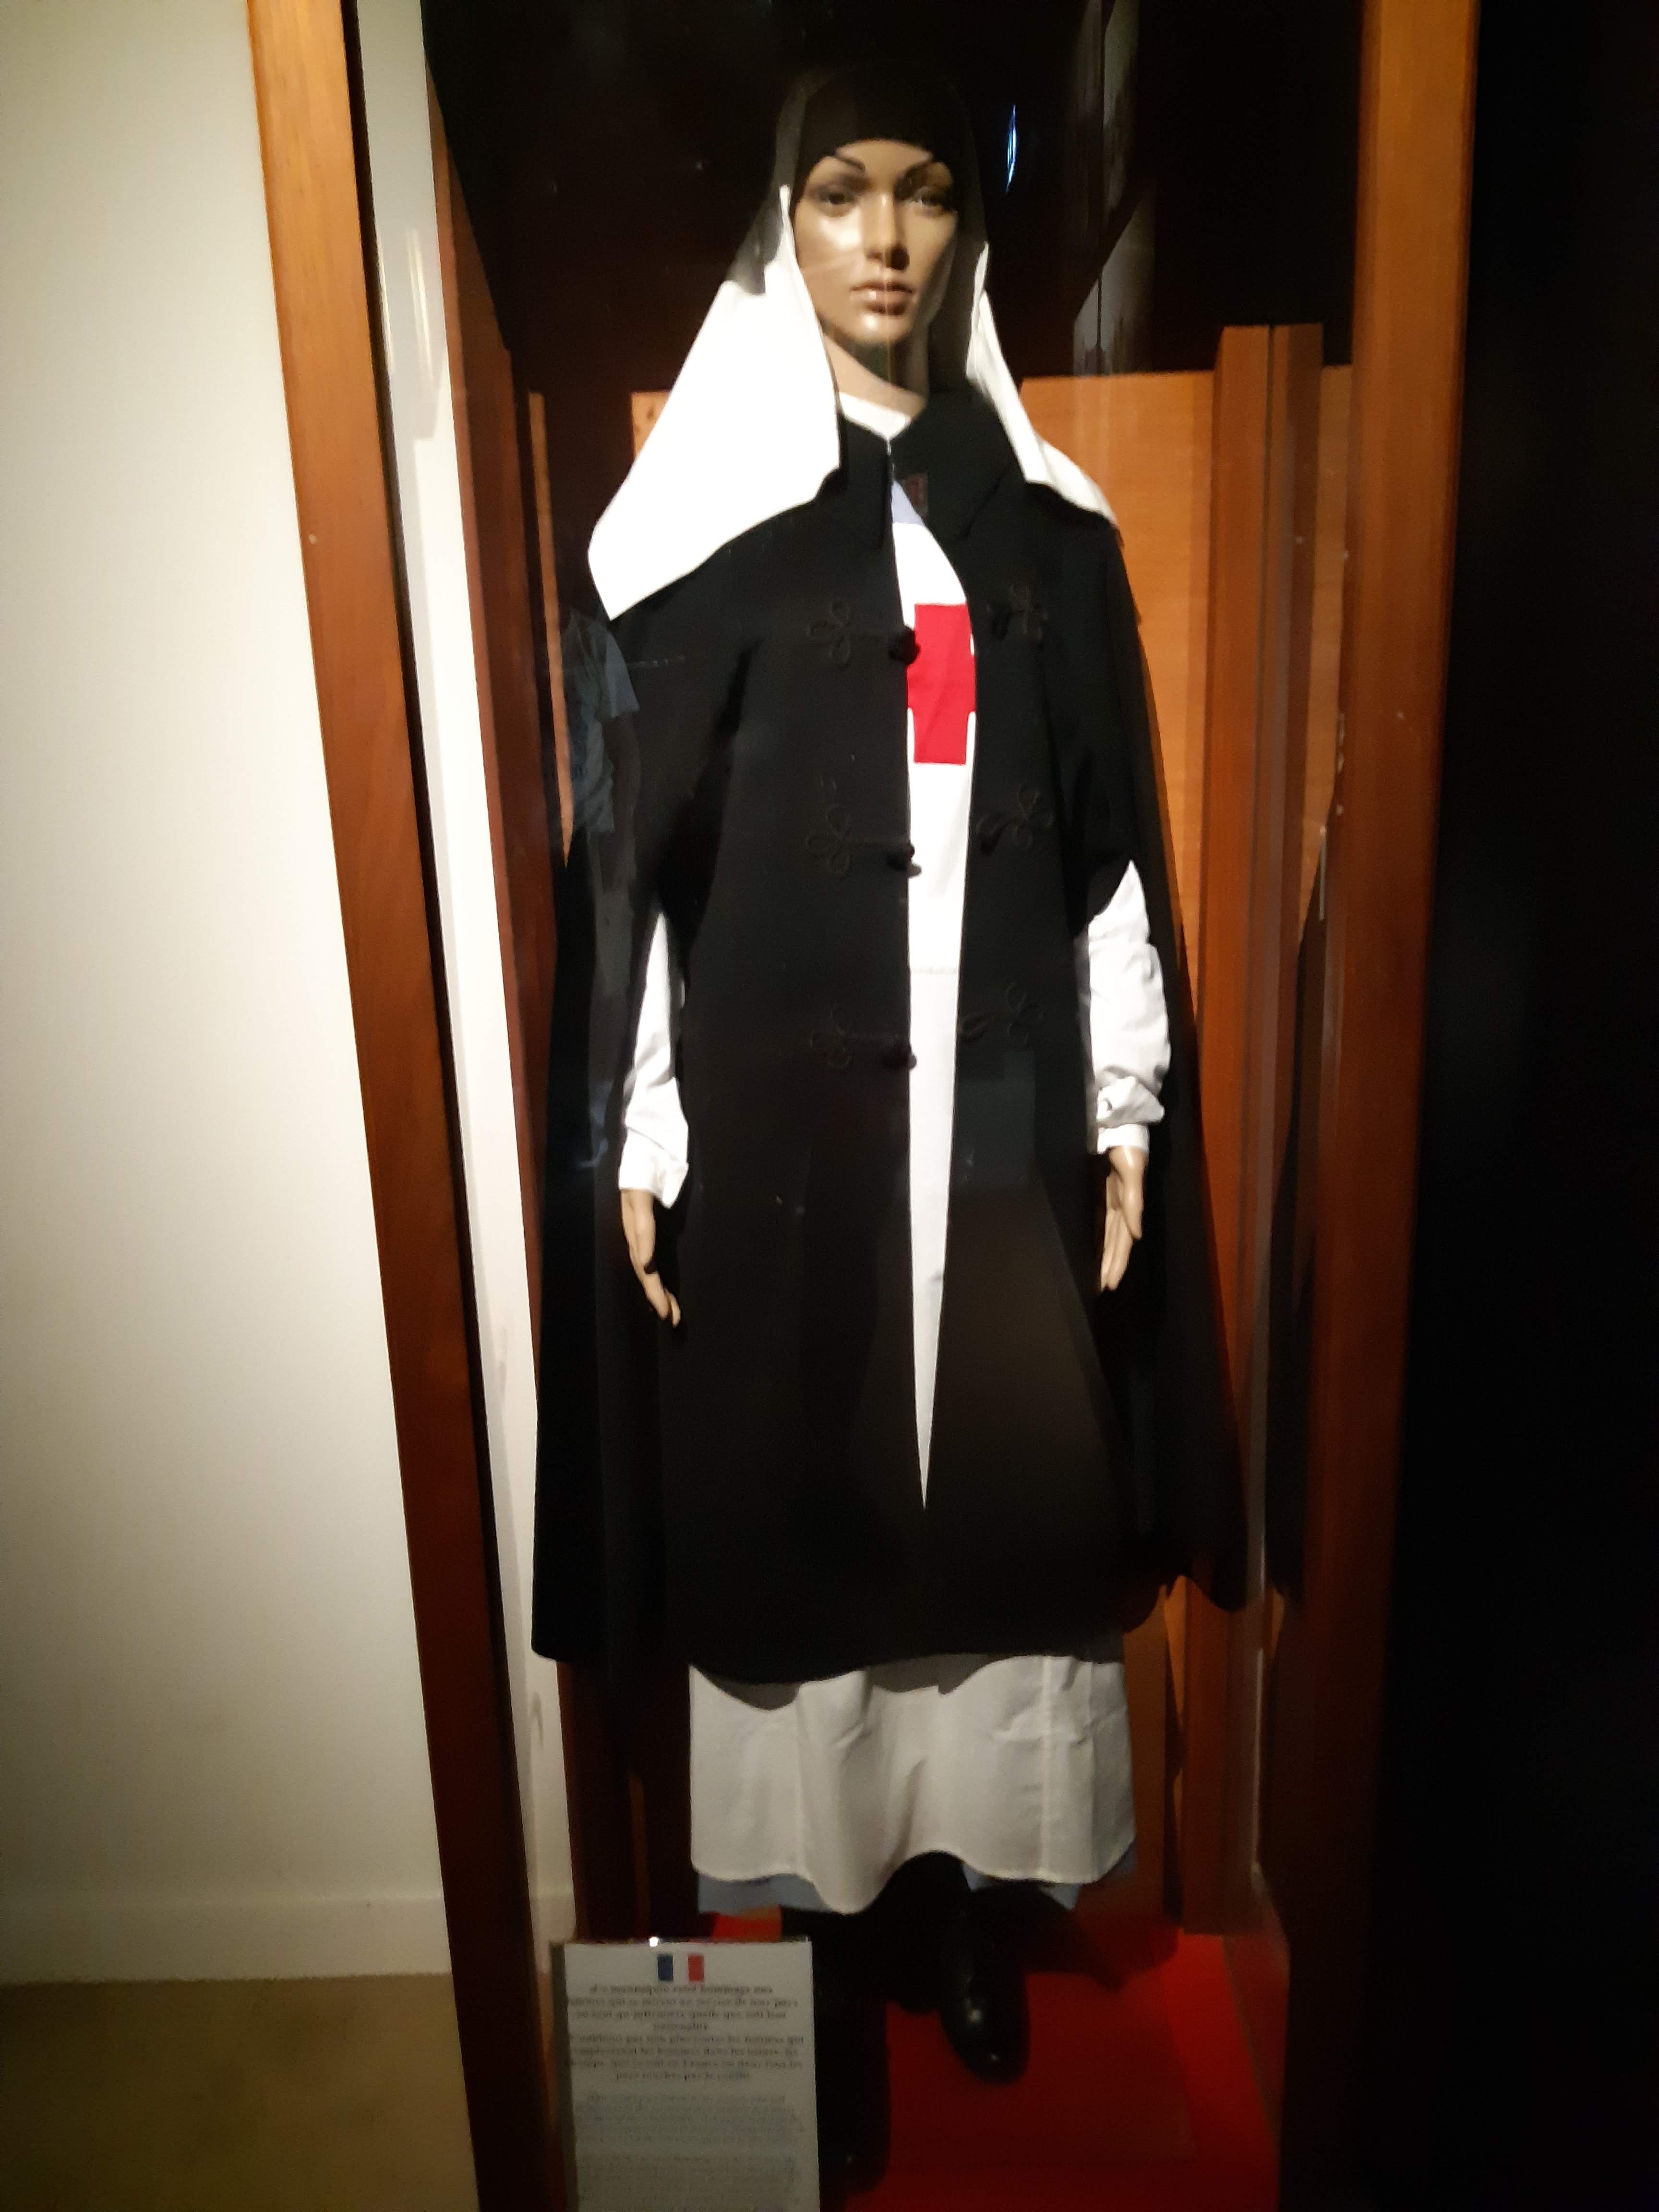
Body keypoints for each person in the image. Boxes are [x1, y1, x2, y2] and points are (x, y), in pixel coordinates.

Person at [532, 59, 1240, 2175]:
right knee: (813, 1512)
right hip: (791, 1141)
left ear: (968, 225)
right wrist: (645, 1127)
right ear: (784, 222)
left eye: (925, 192)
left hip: (1003, 1126)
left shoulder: (1051, 536)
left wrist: (1128, 1105)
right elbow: (632, 885)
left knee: (998, 1514)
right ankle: (829, 1942)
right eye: (841, 193)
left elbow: (1109, 857)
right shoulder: (692, 540)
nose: (888, 239)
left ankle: (966, 1915)